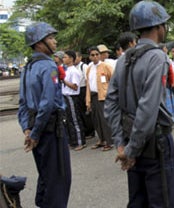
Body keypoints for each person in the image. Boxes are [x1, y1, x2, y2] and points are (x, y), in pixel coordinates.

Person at [104, 1, 174, 207]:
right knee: (163, 200)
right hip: (153, 142)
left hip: (131, 140)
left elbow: (110, 103)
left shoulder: (123, 59)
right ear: (158, 27)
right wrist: (131, 150)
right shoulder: (158, 57)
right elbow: (148, 109)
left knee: (138, 200)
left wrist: (122, 144)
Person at [18, 21, 71, 208]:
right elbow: (47, 103)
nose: (55, 41)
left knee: (46, 176)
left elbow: (23, 103)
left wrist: (27, 129)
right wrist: (35, 132)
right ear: (39, 43)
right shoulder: (48, 67)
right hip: (50, 130)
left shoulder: (28, 68)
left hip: (36, 130)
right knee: (59, 179)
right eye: (50, 38)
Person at [86, 46, 114, 151]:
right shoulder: (89, 68)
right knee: (96, 120)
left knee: (104, 120)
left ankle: (109, 141)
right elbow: (88, 85)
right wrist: (87, 100)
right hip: (93, 96)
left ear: (100, 55)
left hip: (104, 96)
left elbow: (114, 80)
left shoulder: (106, 66)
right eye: (92, 55)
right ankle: (101, 140)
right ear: (89, 57)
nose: (95, 57)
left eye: (97, 54)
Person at [62, 50, 86, 150]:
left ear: (71, 59)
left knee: (75, 119)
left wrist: (63, 80)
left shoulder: (74, 71)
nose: (63, 59)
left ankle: (80, 142)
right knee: (68, 120)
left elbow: (75, 87)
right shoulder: (66, 70)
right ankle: (73, 141)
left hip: (72, 97)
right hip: (65, 97)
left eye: (65, 57)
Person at [75, 51, 95, 139]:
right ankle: (85, 130)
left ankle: (91, 131)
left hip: (84, 89)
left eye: (75, 57)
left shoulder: (84, 66)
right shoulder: (73, 67)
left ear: (80, 57)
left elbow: (88, 80)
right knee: (80, 112)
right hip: (77, 91)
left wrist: (87, 93)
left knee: (86, 111)